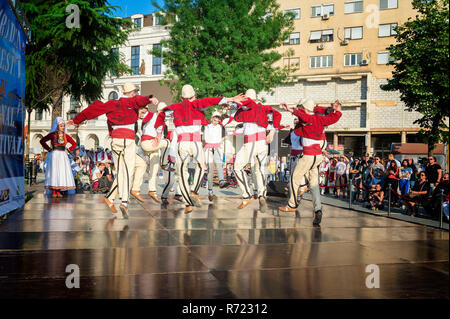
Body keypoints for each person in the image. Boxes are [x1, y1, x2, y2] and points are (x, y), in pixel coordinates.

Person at [67, 82, 159, 218]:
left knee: (123, 171)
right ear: (131, 93)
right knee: (128, 171)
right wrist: (149, 99)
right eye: (135, 92)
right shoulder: (132, 102)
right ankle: (124, 201)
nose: (136, 95)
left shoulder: (112, 104)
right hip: (127, 140)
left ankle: (111, 198)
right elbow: (139, 100)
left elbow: (93, 110)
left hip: (115, 141)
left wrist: (76, 120)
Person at [156, 84, 245, 214]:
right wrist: (230, 98)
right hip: (196, 142)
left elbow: (162, 115)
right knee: (201, 168)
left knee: (182, 173)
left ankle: (188, 202)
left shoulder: (174, 107)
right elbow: (212, 100)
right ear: (194, 96)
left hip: (182, 143)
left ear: (181, 97)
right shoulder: (198, 103)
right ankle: (194, 190)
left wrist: (159, 133)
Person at [278, 98, 342, 226]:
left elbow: (302, 116)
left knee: (293, 178)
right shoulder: (320, 119)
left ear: (305, 108)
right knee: (314, 185)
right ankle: (318, 209)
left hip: (308, 155)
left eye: (302, 107)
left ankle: (292, 204)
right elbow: (333, 118)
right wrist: (337, 111)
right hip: (317, 155)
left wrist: (290, 110)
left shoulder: (308, 118)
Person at [230, 89, 283, 212]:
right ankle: (262, 195)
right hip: (262, 142)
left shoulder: (246, 108)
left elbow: (236, 118)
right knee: (259, 169)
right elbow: (278, 115)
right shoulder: (264, 108)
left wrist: (236, 105)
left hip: (251, 142)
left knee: (237, 167)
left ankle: (247, 194)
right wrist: (273, 131)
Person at [40, 117, 78, 197]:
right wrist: (49, 149)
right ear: (57, 126)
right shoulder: (53, 134)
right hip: (54, 154)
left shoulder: (66, 136)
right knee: (54, 172)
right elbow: (42, 141)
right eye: (61, 126)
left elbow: (74, 144)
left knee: (61, 172)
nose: (63, 127)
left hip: (63, 155)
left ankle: (58, 191)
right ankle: (54, 191)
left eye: (63, 126)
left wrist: (69, 150)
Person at [203, 111, 232, 201]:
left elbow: (230, 119)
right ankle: (210, 190)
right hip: (208, 147)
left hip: (217, 147)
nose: (216, 120)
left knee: (219, 164)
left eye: (218, 118)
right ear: (212, 118)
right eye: (214, 118)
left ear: (219, 120)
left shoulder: (220, 126)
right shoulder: (207, 126)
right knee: (210, 170)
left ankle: (221, 181)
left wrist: (226, 109)